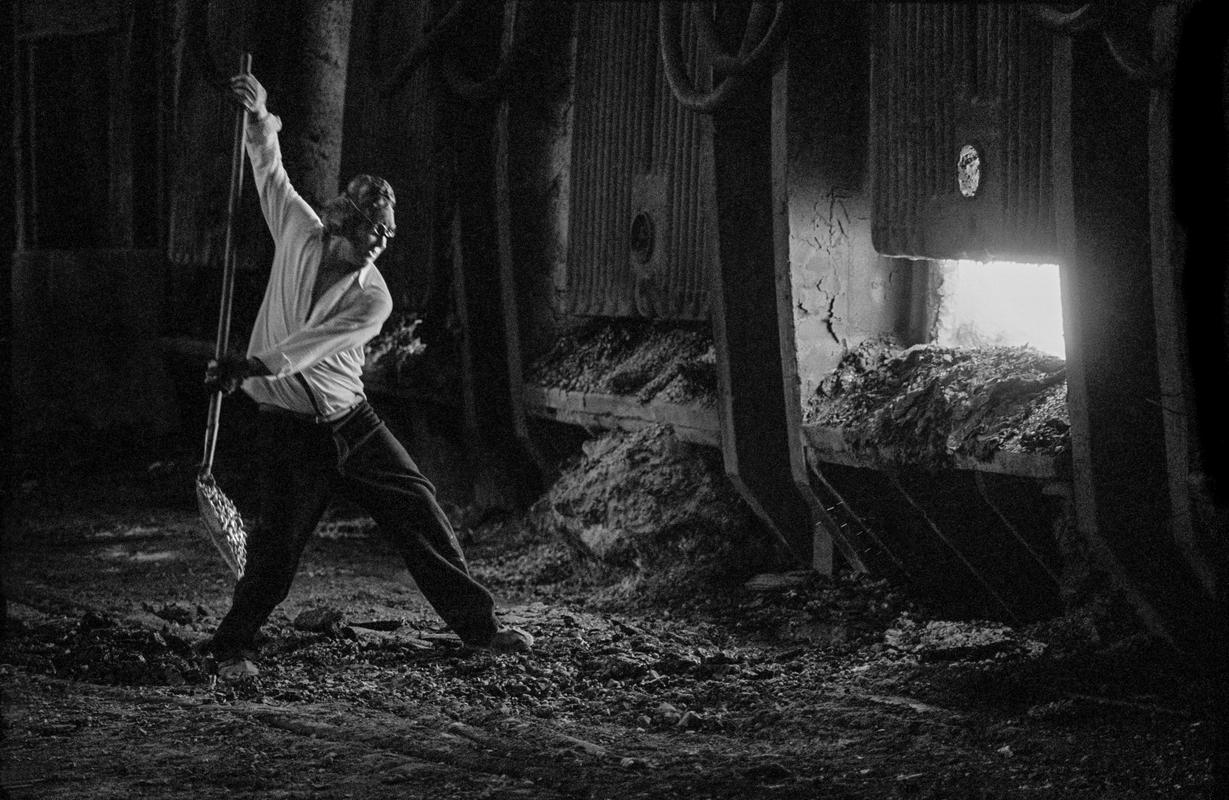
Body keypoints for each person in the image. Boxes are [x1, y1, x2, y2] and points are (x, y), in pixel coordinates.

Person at [202, 71, 531, 679]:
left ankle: (481, 630)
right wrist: (259, 117)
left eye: (389, 230)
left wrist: (252, 364)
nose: (385, 237)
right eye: (376, 224)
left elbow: (315, 346)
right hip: (292, 430)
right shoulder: (299, 232)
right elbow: (269, 174)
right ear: (347, 216)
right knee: (278, 545)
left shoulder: (371, 297)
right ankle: (231, 642)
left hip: (351, 422)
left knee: (419, 509)